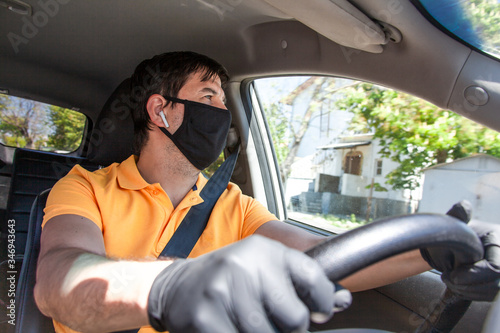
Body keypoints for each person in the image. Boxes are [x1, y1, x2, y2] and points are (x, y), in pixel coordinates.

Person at [33, 51, 500, 333]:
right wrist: (169, 286)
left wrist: (434, 247)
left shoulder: (234, 205)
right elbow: (59, 279)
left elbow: (327, 254)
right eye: (209, 96)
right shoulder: (87, 187)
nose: (222, 113)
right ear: (161, 110)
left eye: (224, 99)